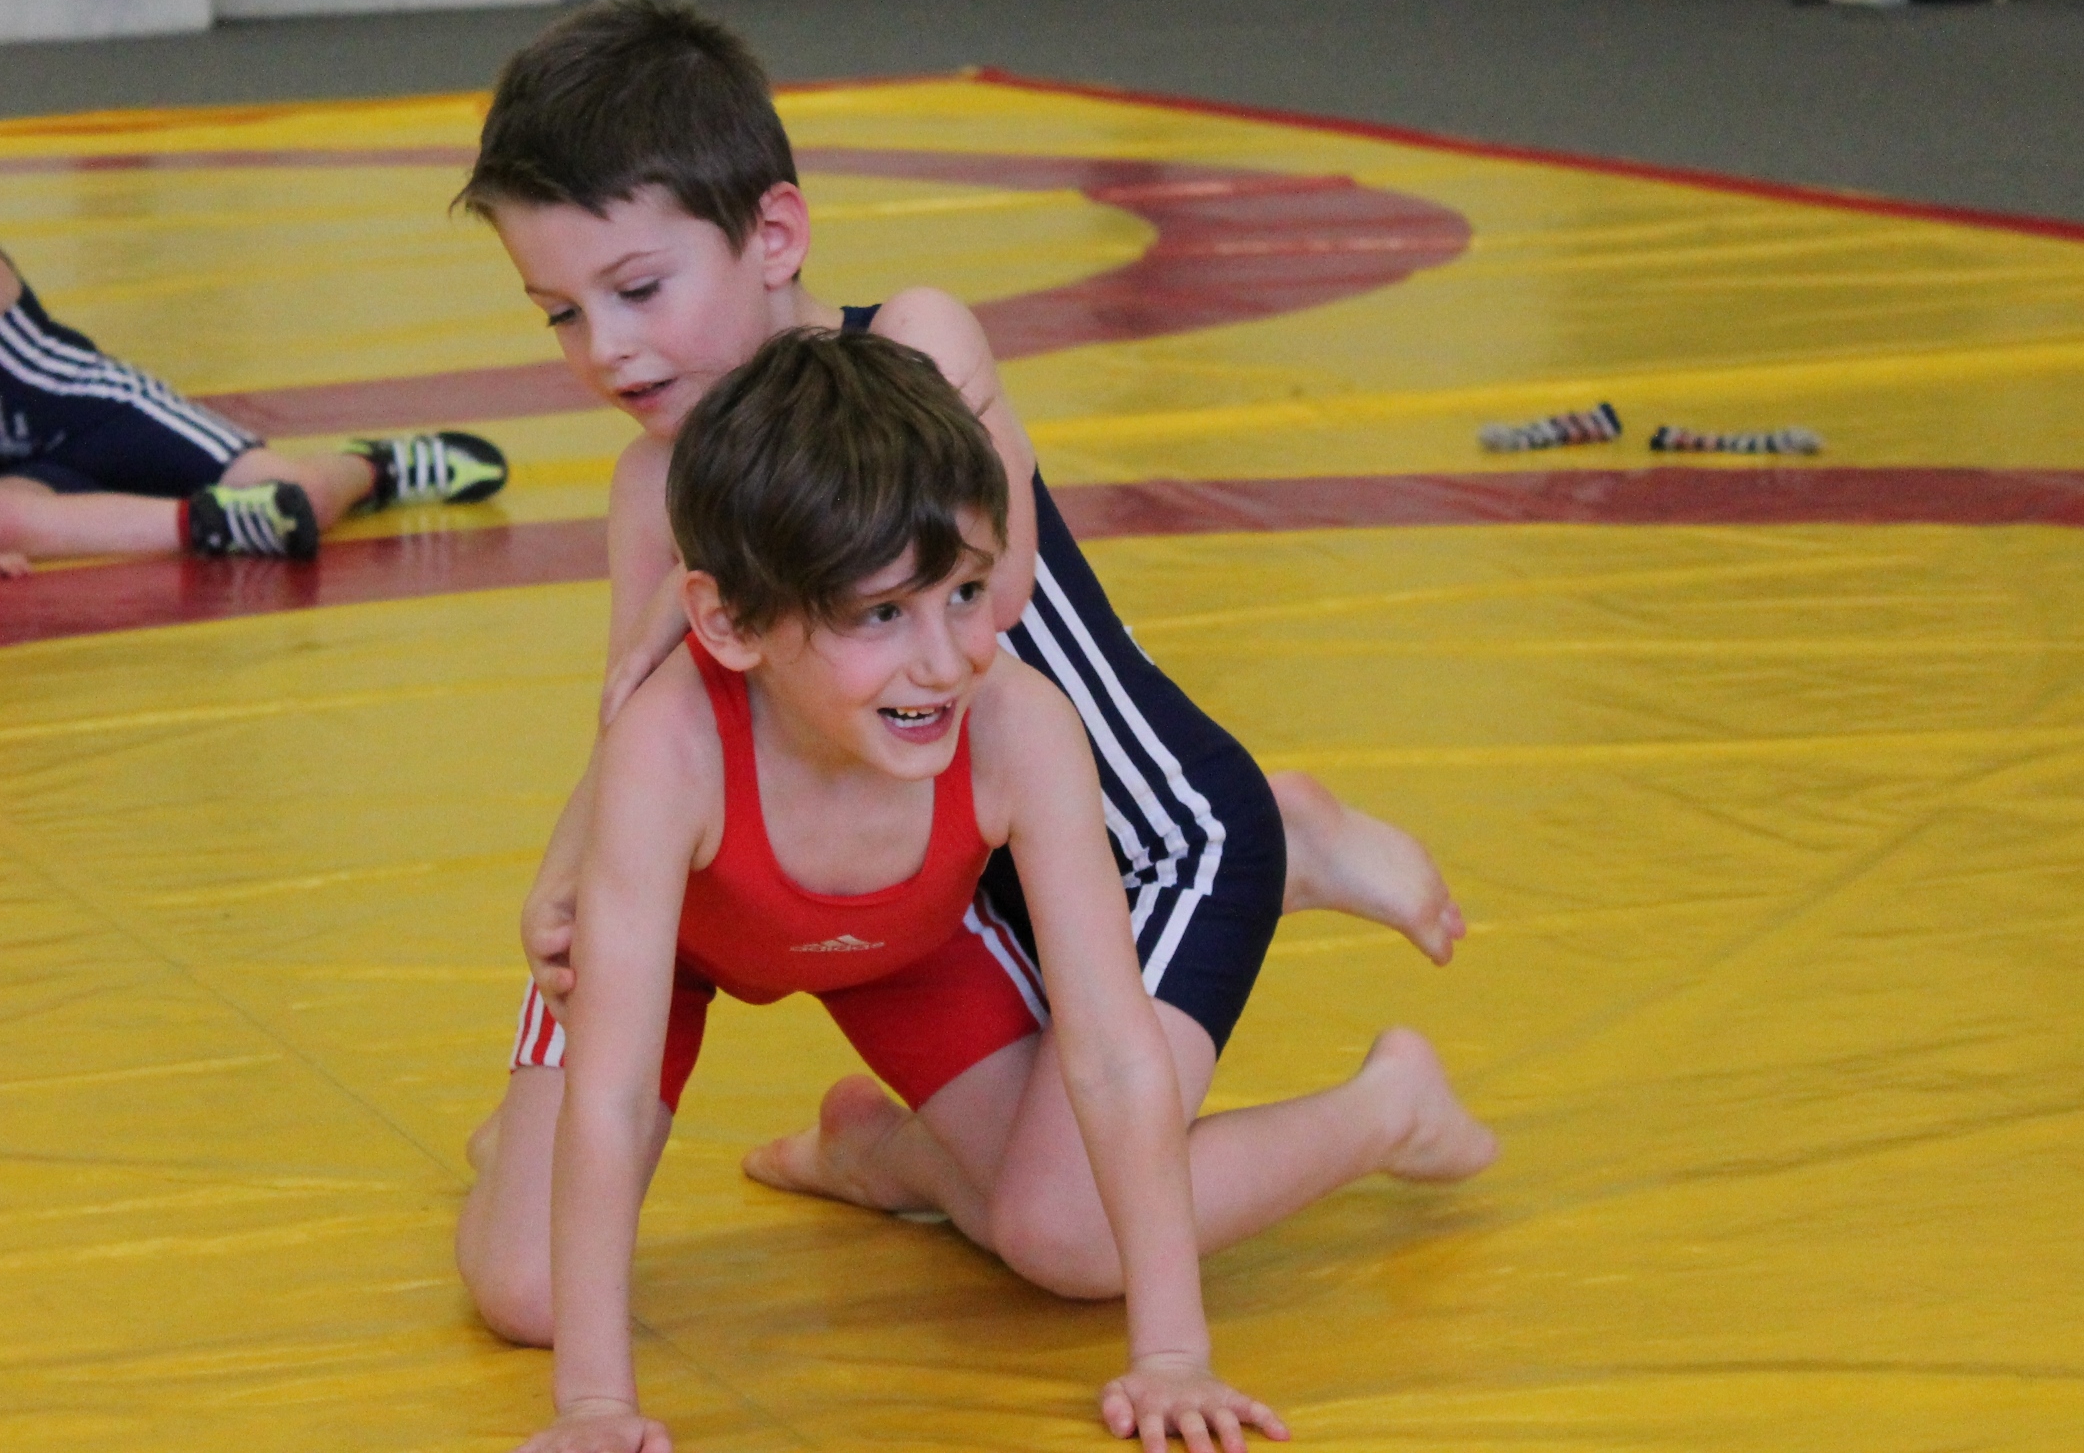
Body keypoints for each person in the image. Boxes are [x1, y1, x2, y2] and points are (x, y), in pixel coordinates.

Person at [452, 0, 1480, 1301]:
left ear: (775, 237)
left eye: (638, 290)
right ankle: (901, 1158)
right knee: (529, 1284)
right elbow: (639, 720)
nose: (604, 349)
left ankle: (1379, 1094)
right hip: (918, 861)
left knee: (1074, 1233)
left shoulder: (912, 346)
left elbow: (981, 595)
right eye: (558, 312)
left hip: (1129, 831)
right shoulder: (649, 484)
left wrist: (684, 600)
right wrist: (561, 873)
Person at [474, 329, 1493, 1453]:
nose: (947, 658)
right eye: (881, 614)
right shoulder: (668, 749)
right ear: (729, 623)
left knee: (1069, 1235)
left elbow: (1113, 1054)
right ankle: (517, 1147)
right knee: (529, 1292)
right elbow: (614, 1091)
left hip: (908, 946)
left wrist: (1170, 1353)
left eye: (965, 591)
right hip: (670, 955)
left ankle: (899, 1156)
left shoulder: (1018, 727)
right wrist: (596, 1405)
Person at [0, 42, 510, 579]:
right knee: (1, 517)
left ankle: (374, 467)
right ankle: (208, 523)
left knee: (296, 498)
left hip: (106, 413)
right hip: (30, 460)